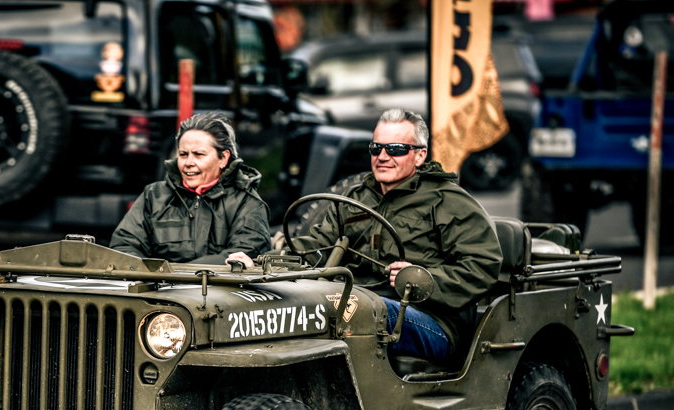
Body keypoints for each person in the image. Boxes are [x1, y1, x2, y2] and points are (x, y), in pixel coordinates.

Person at [290, 108, 503, 364]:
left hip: (432, 320)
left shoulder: (447, 201)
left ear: (419, 155)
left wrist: (422, 279)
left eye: (396, 149)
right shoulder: (355, 199)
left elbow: (483, 265)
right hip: (357, 300)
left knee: (362, 310)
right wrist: (262, 263)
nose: (383, 157)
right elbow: (314, 247)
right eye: (376, 148)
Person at [110, 112, 271, 267]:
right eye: (183, 154)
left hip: (220, 292)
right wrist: (155, 278)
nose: (188, 162)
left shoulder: (247, 202)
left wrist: (174, 275)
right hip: (158, 293)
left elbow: (246, 253)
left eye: (199, 154)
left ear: (223, 158)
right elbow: (124, 246)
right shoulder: (153, 196)